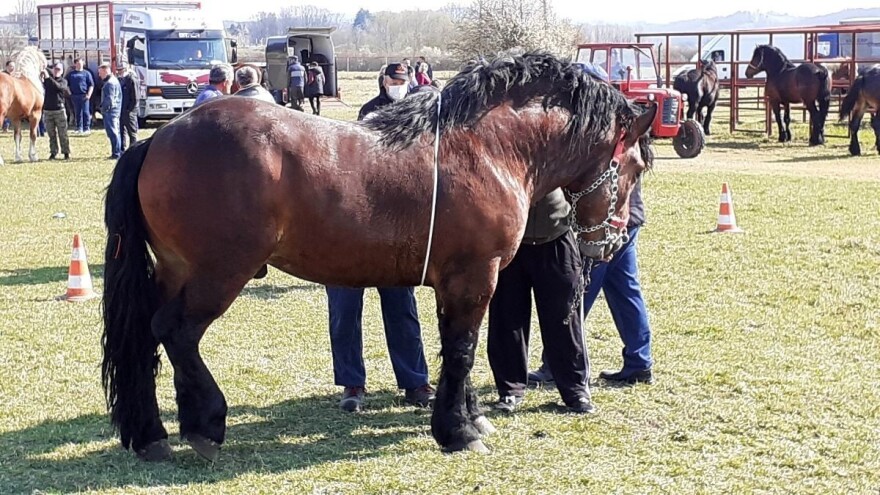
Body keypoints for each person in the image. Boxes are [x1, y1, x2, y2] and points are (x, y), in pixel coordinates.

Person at [326, 80, 437, 413]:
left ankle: (415, 381)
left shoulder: (411, 158)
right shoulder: (348, 154)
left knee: (402, 311)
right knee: (344, 314)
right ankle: (352, 384)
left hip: (391, 245)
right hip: (346, 244)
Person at [529, 179, 654, 386]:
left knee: (578, 293)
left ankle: (555, 364)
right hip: (626, 217)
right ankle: (639, 361)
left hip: (604, 223)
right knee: (625, 291)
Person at [487, 188, 596, 415]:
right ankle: (510, 389)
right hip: (510, 239)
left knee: (566, 319)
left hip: (557, 235)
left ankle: (576, 391)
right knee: (507, 319)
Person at [41, 62, 71, 160]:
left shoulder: (64, 81)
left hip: (59, 111)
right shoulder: (47, 81)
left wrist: (48, 78)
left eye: (58, 69)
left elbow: (58, 87)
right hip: (48, 111)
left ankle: (66, 152)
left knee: (63, 133)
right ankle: (53, 152)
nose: (56, 71)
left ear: (62, 71)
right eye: (55, 69)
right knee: (51, 134)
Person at [97, 63, 122, 159]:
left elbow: (109, 99)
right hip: (115, 110)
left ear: (105, 71)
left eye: (100, 73)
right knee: (116, 132)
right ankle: (117, 151)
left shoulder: (110, 83)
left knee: (113, 132)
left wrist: (103, 108)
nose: (99, 75)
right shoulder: (114, 80)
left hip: (111, 112)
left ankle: (116, 153)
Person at [66, 58, 94, 135]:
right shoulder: (71, 74)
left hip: (84, 95)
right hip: (75, 96)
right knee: (77, 112)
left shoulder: (87, 73)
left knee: (85, 112)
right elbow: (66, 83)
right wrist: (70, 93)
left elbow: (91, 85)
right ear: (75, 64)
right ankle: (79, 128)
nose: (79, 64)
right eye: (78, 63)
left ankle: (86, 128)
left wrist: (89, 95)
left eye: (81, 63)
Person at [116, 62, 138, 153]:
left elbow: (135, 96)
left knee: (132, 131)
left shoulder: (131, 79)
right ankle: (122, 148)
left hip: (129, 111)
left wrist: (130, 109)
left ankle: (133, 149)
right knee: (121, 130)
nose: (119, 72)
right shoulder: (119, 80)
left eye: (121, 70)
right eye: (118, 70)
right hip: (120, 109)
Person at [2, 61, 13, 132]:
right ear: (7, 66)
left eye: (13, 66)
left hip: (11, 97)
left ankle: (6, 127)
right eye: (11, 66)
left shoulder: (13, 75)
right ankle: (5, 127)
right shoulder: (3, 75)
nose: (12, 68)